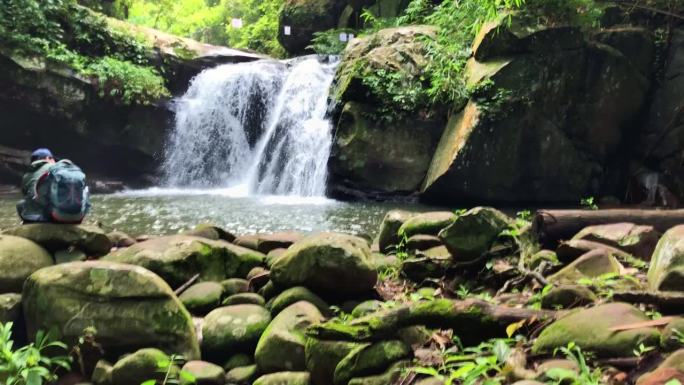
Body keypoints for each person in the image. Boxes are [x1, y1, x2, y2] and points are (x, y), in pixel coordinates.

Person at [17, 148, 91, 223]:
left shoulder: (28, 175)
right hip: (78, 216)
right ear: (47, 158)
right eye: (52, 158)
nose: (54, 161)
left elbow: (26, 194)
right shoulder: (58, 170)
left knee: (20, 204)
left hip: (49, 216)